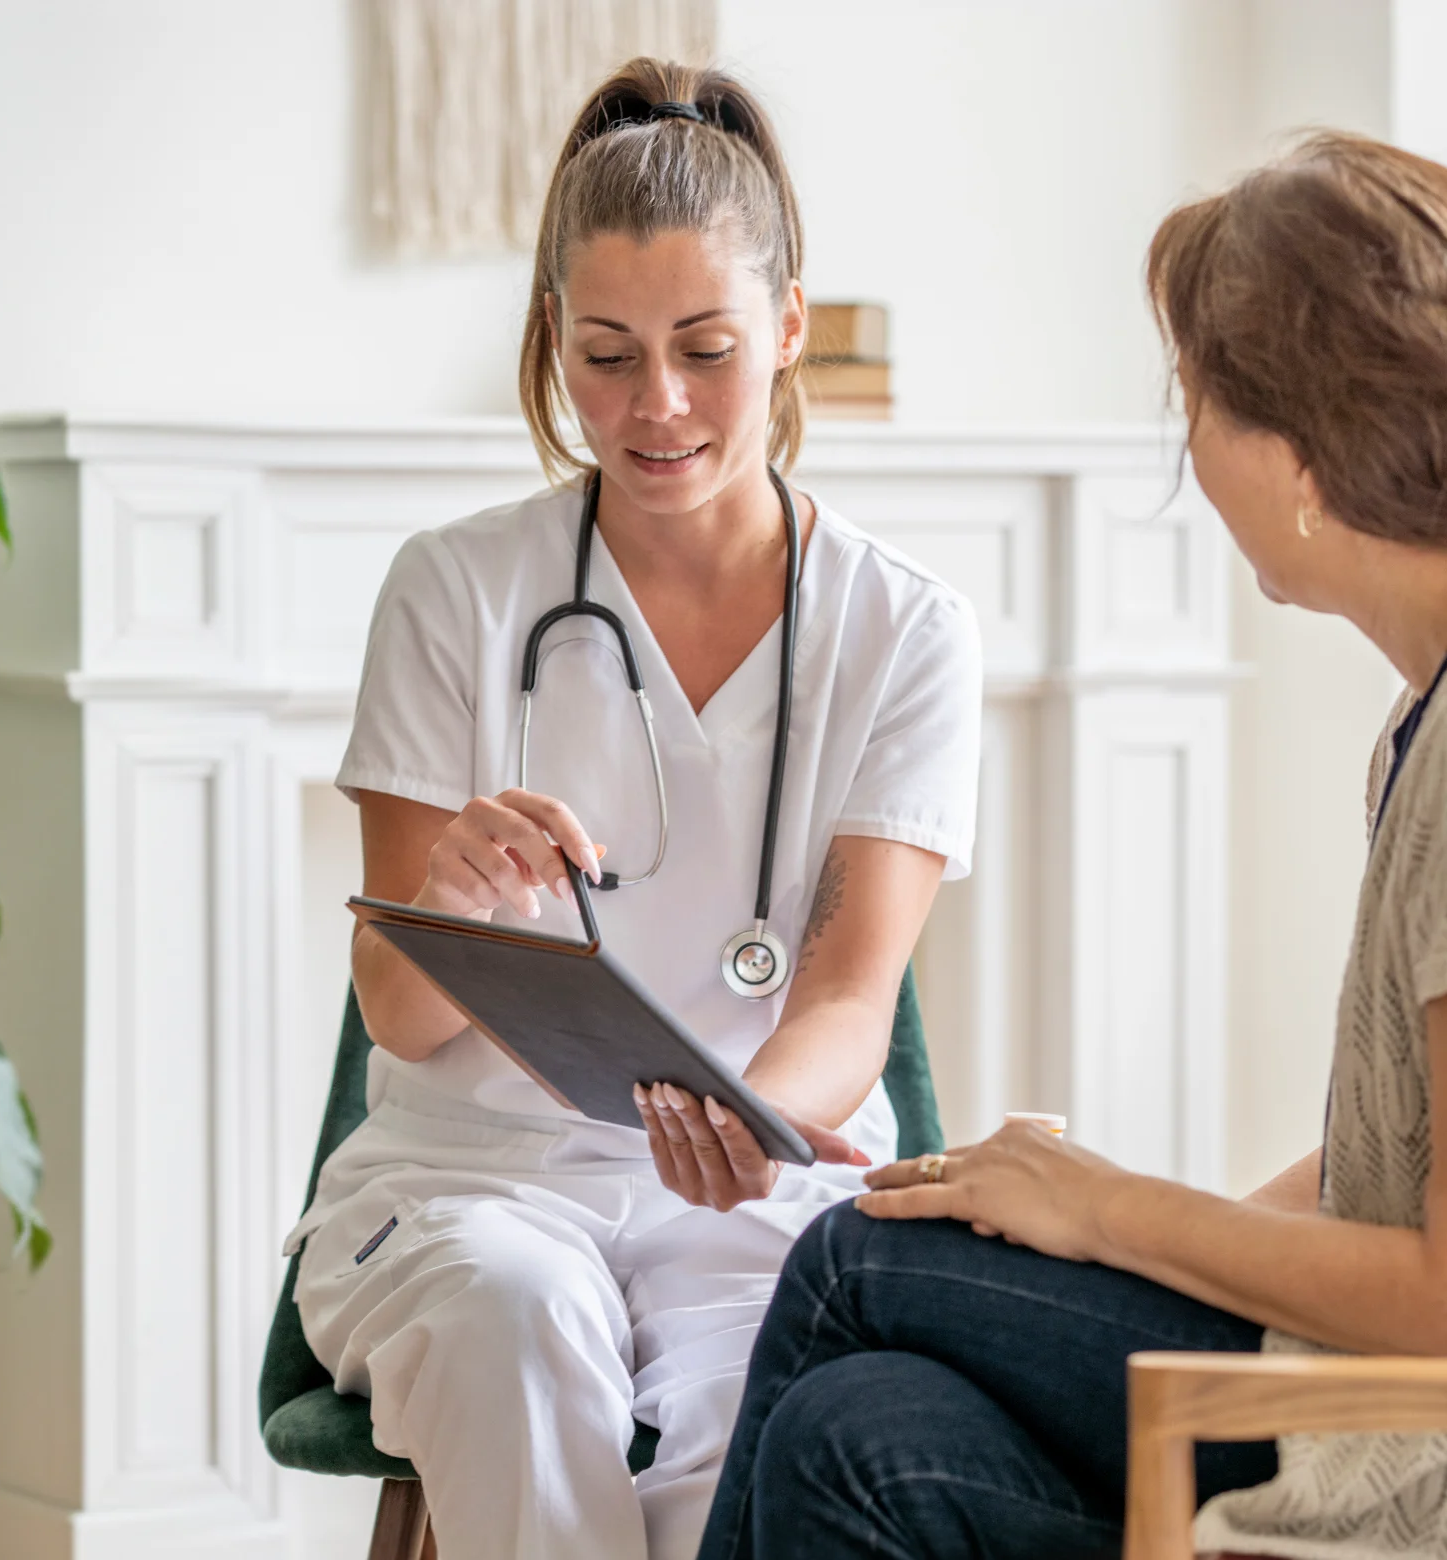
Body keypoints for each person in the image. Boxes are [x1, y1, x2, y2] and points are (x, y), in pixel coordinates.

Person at [699, 131, 1447, 1560]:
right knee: (853, 1437)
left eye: (1199, 399)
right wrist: (1097, 1230)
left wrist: (1111, 1213)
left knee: (856, 1260)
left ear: (1304, 450)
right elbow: (1424, 1159)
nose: (1188, 447)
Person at [282, 58, 983, 1560]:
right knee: (516, 1322)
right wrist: (455, 892)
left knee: (765, 1406)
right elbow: (402, 1019)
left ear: (789, 328)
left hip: (755, 1188)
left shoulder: (903, 630)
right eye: (604, 354)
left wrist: (761, 1121)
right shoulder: (455, 592)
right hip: (475, 1184)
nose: (654, 407)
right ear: (550, 337)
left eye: (705, 348)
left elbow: (855, 999)